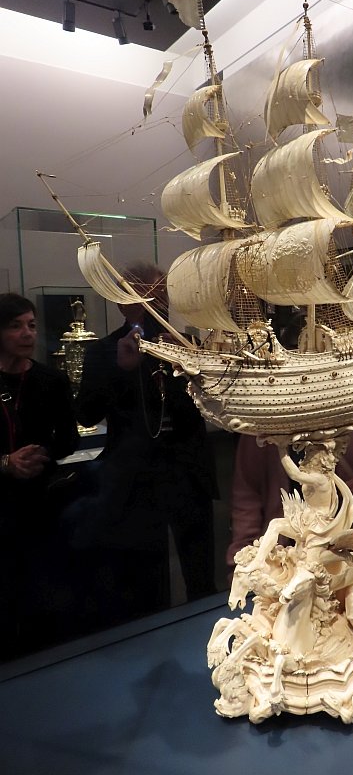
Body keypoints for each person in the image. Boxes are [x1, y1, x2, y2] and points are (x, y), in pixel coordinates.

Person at [73, 261, 217, 627]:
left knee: (201, 573)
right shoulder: (104, 351)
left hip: (187, 470)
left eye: (162, 294)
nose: (157, 304)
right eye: (146, 296)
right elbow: (87, 414)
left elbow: (216, 404)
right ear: (122, 303)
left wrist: (193, 364)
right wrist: (119, 369)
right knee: (143, 580)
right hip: (134, 477)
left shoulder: (189, 345)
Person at [0, 293, 79, 657]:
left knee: (43, 594)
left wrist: (41, 453)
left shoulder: (51, 379)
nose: (27, 333)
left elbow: (69, 438)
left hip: (40, 503)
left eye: (31, 325)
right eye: (15, 326)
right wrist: (6, 463)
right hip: (2, 505)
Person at [227, 422, 353, 573]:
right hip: (296, 538)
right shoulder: (261, 425)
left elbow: (295, 474)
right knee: (278, 529)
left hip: (326, 531)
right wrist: (243, 554)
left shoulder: (319, 477)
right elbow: (246, 498)